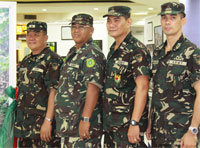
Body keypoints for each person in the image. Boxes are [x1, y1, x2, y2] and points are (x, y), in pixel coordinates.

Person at [148, 2, 200, 148]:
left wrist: (193, 130)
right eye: (164, 18)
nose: (167, 22)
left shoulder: (192, 53)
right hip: (158, 133)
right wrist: (150, 121)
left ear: (183, 21)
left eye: (173, 17)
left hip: (181, 135)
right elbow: (158, 91)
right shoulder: (158, 53)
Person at [54, 13, 106, 147]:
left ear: (91, 30)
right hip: (69, 125)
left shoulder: (92, 53)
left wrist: (86, 119)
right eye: (74, 26)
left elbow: (93, 88)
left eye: (81, 27)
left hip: (82, 125)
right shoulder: (73, 52)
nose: (76, 30)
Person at [102, 6, 151, 147]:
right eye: (109, 21)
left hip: (127, 125)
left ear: (129, 22)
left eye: (116, 20)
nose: (111, 25)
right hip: (112, 124)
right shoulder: (113, 49)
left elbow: (143, 87)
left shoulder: (137, 50)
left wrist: (134, 122)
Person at [14, 21, 63, 147]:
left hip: (43, 127)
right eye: (29, 34)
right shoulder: (26, 61)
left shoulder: (53, 60)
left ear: (45, 37)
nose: (31, 38)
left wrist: (48, 121)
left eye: (36, 34)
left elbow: (54, 92)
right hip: (24, 127)